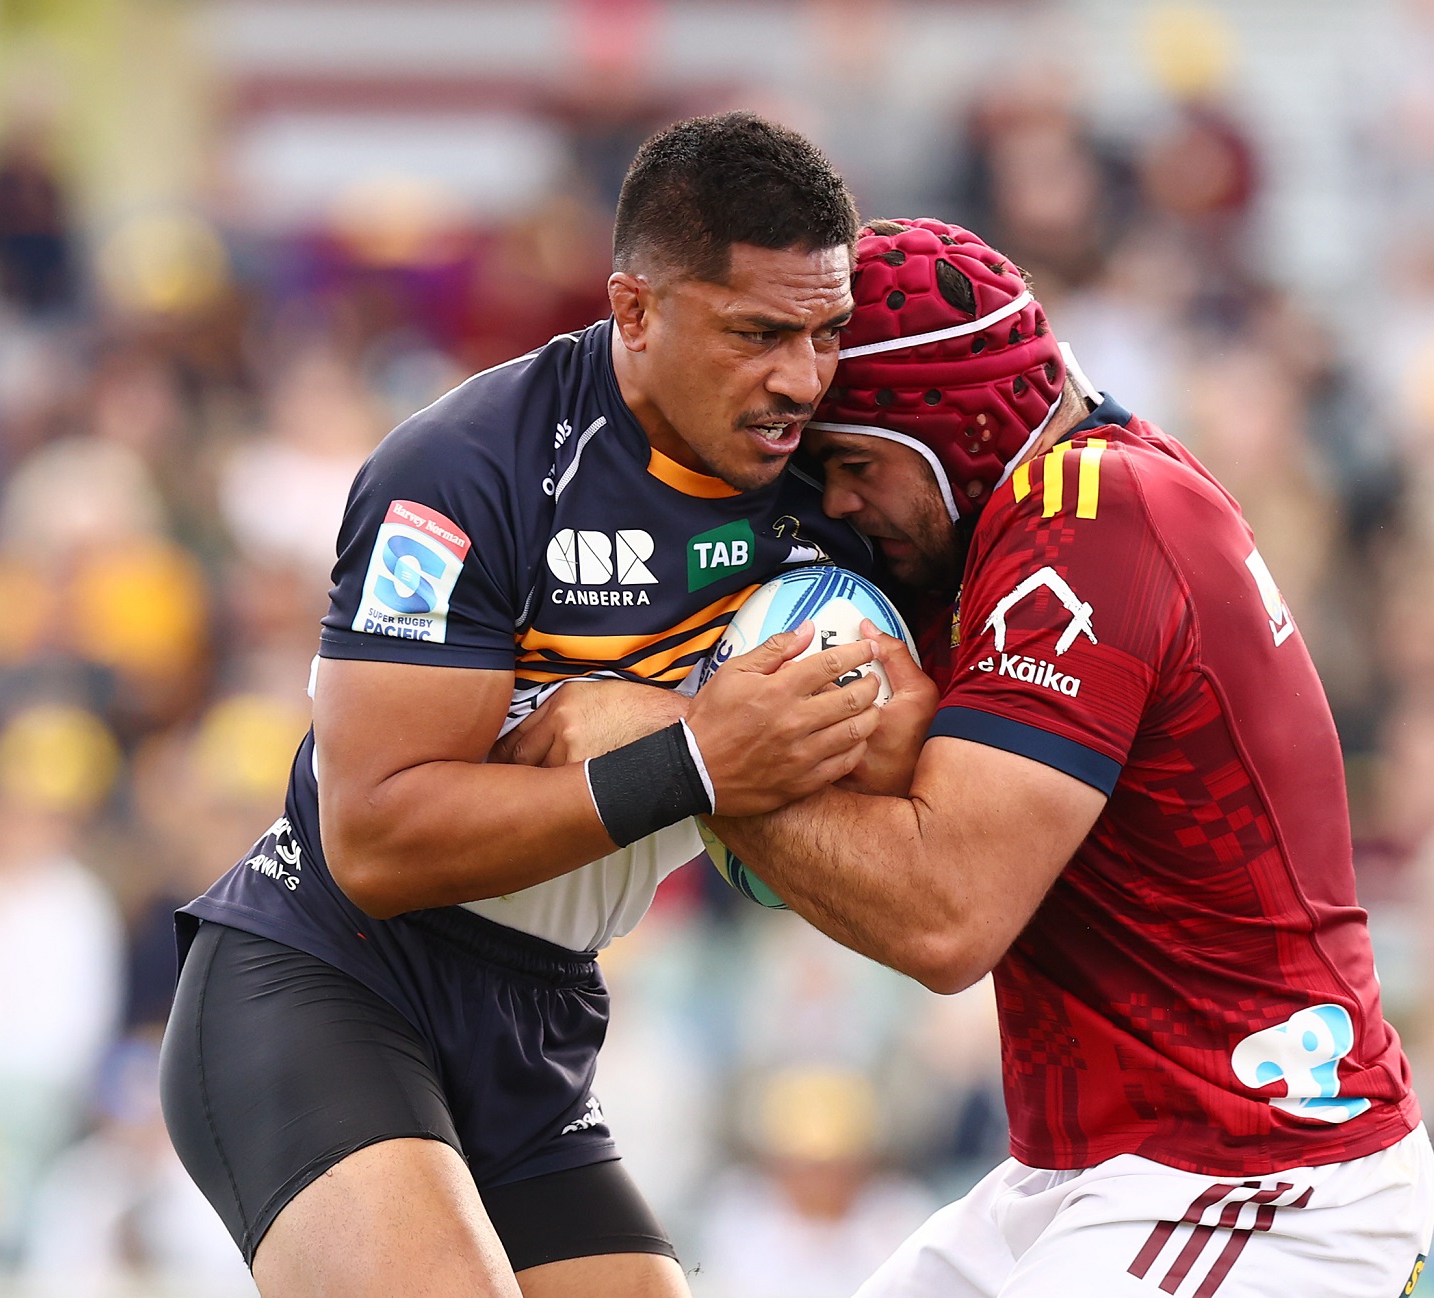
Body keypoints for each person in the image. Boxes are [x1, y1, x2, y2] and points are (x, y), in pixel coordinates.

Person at [512, 218, 1434, 1296]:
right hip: (1096, 1172)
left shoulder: (1090, 518)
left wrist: (674, 748)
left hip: (1261, 1173)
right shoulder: (1043, 507)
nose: (841, 504)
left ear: (961, 430)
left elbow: (944, 912)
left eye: (855, 464)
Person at [159, 112, 890, 1298]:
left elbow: (898, 740)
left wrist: (648, 727)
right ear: (635, 310)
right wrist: (690, 757)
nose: (800, 378)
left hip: (541, 1015)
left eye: (825, 332)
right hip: (333, 980)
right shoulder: (467, 466)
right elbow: (379, 838)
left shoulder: (831, 481)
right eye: (757, 333)